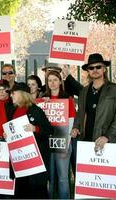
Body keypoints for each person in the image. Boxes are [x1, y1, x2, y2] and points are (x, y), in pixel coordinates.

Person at [71, 53, 116, 150]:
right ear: (88, 71)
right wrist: (76, 127)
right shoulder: (84, 91)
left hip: (106, 142)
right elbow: (80, 113)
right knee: (85, 166)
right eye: (91, 68)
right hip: (85, 141)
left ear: (104, 69)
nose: (95, 70)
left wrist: (108, 136)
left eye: (98, 67)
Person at [8, 82, 53, 199]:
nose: (11, 95)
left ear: (22, 94)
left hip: (35, 161)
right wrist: (7, 133)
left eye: (13, 93)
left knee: (36, 191)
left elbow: (49, 130)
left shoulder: (36, 110)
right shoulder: (13, 110)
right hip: (20, 159)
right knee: (21, 190)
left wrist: (35, 128)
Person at [42, 70, 76, 199]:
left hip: (63, 142)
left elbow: (72, 121)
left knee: (62, 177)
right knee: (49, 178)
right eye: (49, 80)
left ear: (60, 82)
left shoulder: (68, 99)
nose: (52, 83)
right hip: (47, 143)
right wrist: (42, 102)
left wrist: (66, 145)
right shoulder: (44, 98)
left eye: (55, 80)